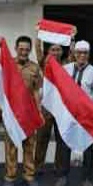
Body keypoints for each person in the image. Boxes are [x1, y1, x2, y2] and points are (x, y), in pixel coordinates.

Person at [0, 36, 42, 186]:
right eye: (21, 49)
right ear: (15, 48)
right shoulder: (7, 64)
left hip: (29, 113)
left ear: (30, 50)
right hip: (12, 113)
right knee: (11, 146)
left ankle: (29, 175)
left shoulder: (35, 68)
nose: (24, 52)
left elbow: (37, 91)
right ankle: (10, 176)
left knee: (29, 145)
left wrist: (38, 111)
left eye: (27, 49)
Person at [56, 41, 93, 186]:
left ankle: (87, 179)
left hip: (86, 115)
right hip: (67, 114)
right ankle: (62, 176)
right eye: (79, 52)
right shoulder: (64, 69)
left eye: (85, 53)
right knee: (64, 145)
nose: (82, 55)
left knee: (87, 147)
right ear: (74, 54)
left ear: (88, 55)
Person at [34, 38, 70, 176]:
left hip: (62, 107)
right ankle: (38, 166)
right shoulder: (45, 62)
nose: (55, 52)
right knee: (42, 137)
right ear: (48, 52)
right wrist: (39, 34)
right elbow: (37, 48)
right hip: (46, 107)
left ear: (62, 51)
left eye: (58, 49)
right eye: (52, 49)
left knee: (61, 138)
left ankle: (58, 166)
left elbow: (73, 51)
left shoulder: (67, 64)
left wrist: (71, 38)